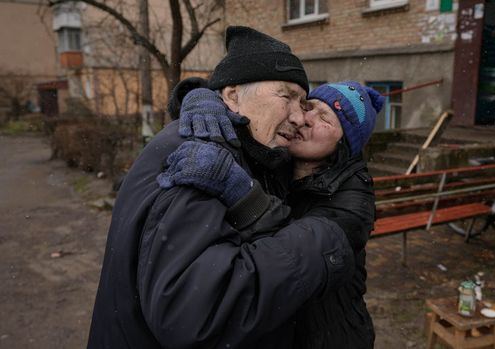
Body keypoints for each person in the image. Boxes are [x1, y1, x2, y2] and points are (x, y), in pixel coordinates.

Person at [87, 26, 355, 349]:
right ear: (230, 96)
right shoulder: (202, 156)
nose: (299, 117)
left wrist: (195, 92)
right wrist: (318, 244)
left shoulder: (255, 150)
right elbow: (193, 311)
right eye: (286, 96)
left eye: (303, 102)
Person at [158, 81, 385, 348]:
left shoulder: (354, 200)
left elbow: (293, 250)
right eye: (309, 107)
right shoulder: (279, 160)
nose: (304, 119)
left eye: (325, 118)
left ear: (342, 146)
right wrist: (203, 99)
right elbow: (244, 99)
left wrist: (242, 192)